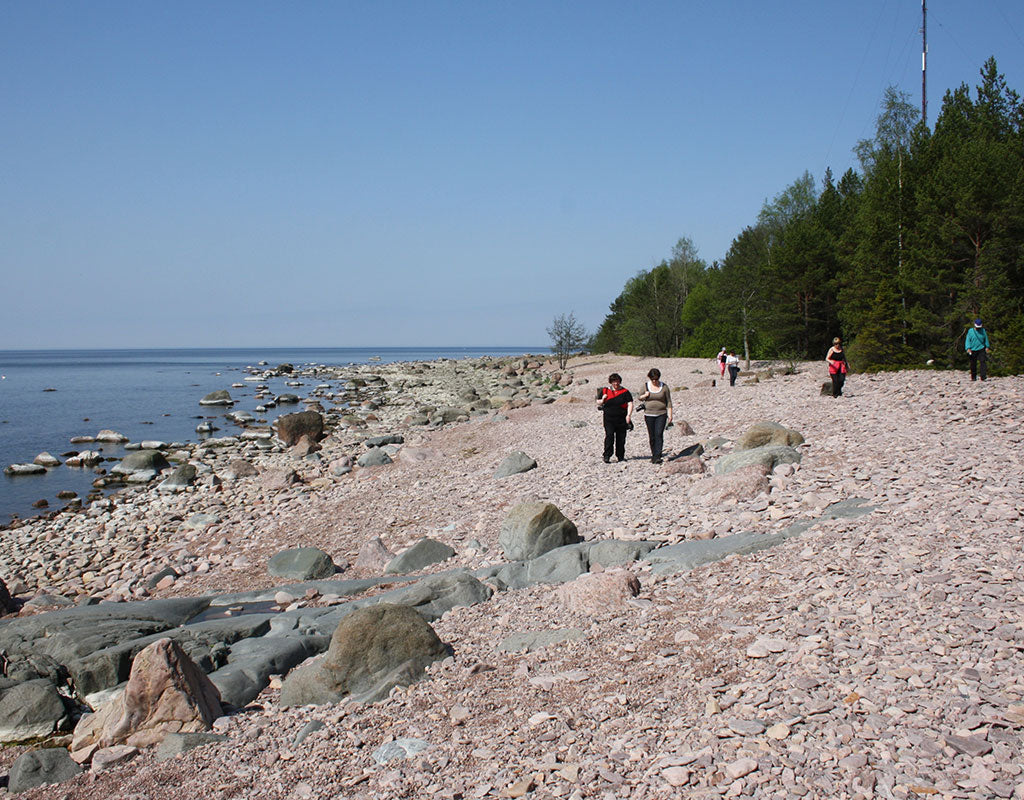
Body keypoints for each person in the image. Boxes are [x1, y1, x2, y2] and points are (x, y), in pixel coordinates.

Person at [637, 367, 673, 464]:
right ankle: (654, 453)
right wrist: (645, 396)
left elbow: (668, 401)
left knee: (659, 434)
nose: (654, 381)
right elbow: (639, 397)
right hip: (649, 414)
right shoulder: (645, 386)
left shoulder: (664, 387)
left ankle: (657, 455)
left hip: (661, 413)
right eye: (652, 379)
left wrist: (670, 415)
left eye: (656, 379)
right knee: (652, 435)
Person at [596, 373, 633, 463]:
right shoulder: (605, 390)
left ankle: (620, 456)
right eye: (614, 382)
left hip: (621, 418)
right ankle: (607, 455)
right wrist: (603, 400)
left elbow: (630, 403)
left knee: (621, 437)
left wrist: (628, 415)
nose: (616, 384)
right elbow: (598, 402)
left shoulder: (625, 392)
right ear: (611, 382)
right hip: (609, 418)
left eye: (617, 382)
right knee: (609, 436)